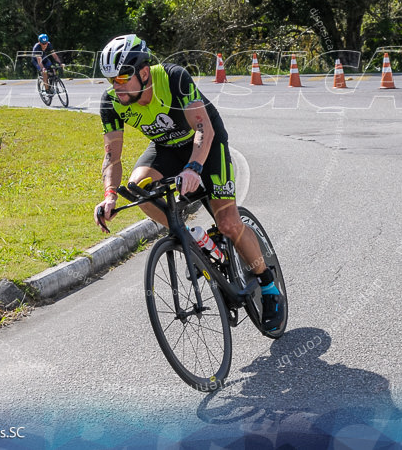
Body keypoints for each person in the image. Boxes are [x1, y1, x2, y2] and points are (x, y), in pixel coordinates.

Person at [93, 34, 284, 332]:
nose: (115, 86)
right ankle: (188, 238)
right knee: (137, 187)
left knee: (230, 224)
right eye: (110, 79)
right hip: (167, 149)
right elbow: (112, 157)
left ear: (144, 72)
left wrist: (194, 168)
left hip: (207, 142)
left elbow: (202, 127)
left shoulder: (173, 78)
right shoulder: (112, 103)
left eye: (122, 77)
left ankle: (268, 284)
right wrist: (109, 197)